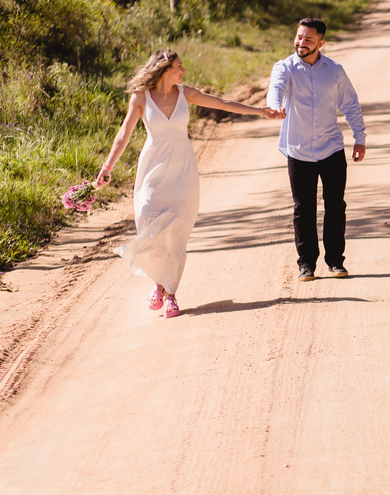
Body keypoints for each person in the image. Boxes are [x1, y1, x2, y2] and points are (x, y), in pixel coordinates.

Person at [95, 50, 283, 318]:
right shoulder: (140, 98)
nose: (183, 71)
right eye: (179, 66)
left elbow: (222, 103)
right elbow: (123, 134)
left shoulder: (186, 93)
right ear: (164, 69)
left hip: (182, 167)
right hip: (153, 166)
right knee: (148, 222)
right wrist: (107, 167)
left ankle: (169, 293)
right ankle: (158, 283)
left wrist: (259, 111)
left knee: (177, 232)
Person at [267, 17, 367, 282]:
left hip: (331, 148)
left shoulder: (334, 71)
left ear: (321, 43)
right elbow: (275, 88)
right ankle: (306, 264)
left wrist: (360, 137)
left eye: (308, 39)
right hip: (298, 151)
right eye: (299, 37)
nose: (301, 43)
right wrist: (275, 106)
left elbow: (351, 104)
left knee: (336, 206)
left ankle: (335, 261)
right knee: (303, 209)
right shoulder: (285, 68)